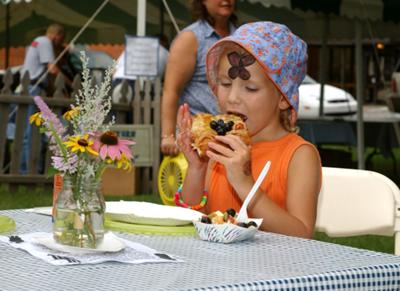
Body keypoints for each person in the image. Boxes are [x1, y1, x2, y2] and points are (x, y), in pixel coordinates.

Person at [176, 21, 322, 238]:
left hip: (276, 270)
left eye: (250, 88)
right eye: (225, 84)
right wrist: (197, 169)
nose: (233, 98)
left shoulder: (299, 156)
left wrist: (244, 183)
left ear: (283, 98)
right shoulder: (220, 147)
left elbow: (301, 235)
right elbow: (187, 222)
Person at [160, 0, 237, 155]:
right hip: (198, 141)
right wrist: (168, 136)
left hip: (233, 138)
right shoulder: (190, 38)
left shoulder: (241, 36)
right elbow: (171, 91)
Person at [18, 23, 65, 174]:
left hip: (28, 87)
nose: (60, 42)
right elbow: (52, 68)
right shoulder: (45, 42)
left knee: (28, 130)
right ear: (56, 34)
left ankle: (27, 167)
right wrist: (67, 83)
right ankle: (29, 169)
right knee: (31, 131)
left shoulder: (37, 41)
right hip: (33, 88)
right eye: (61, 38)